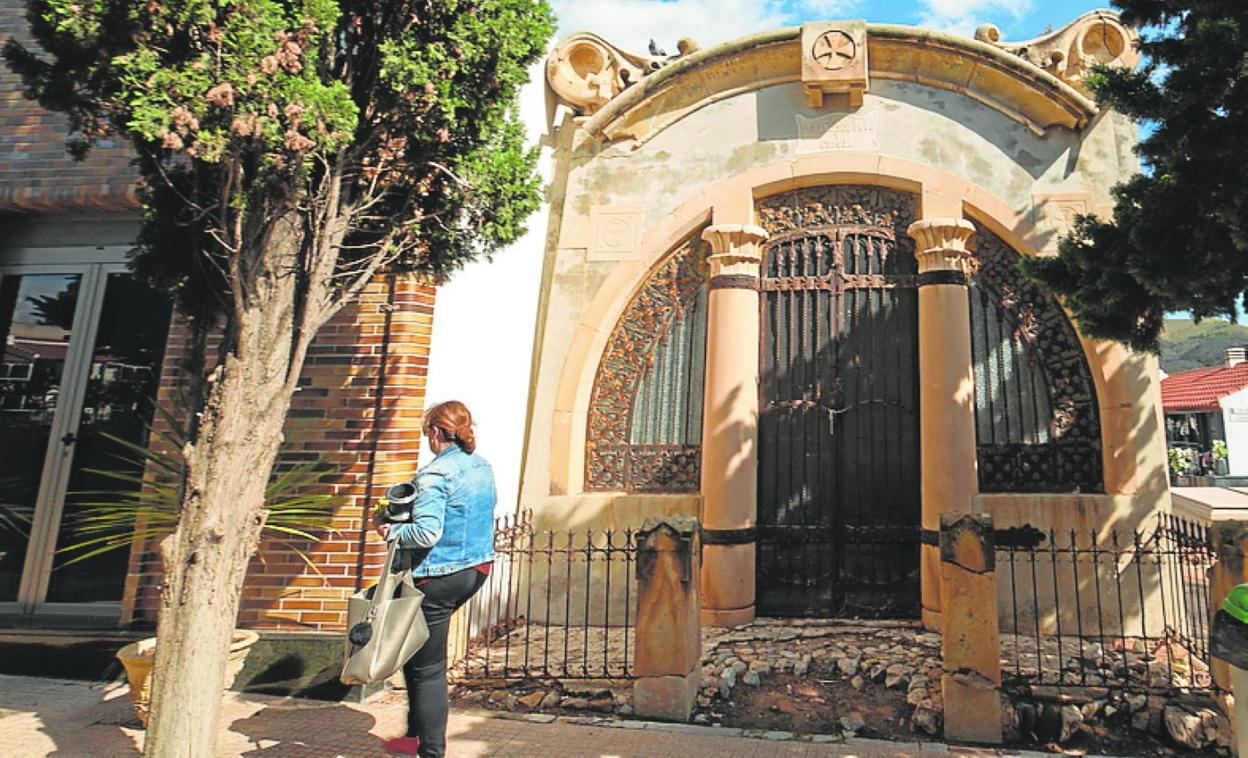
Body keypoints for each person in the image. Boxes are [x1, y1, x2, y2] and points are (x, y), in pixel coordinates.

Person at [376, 400, 496, 758]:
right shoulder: (482, 466)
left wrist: (390, 530)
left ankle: (430, 751)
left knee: (428, 669)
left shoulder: (434, 475)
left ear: (433, 432)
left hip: (439, 577)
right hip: (476, 570)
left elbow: (427, 533)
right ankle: (414, 737)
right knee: (416, 654)